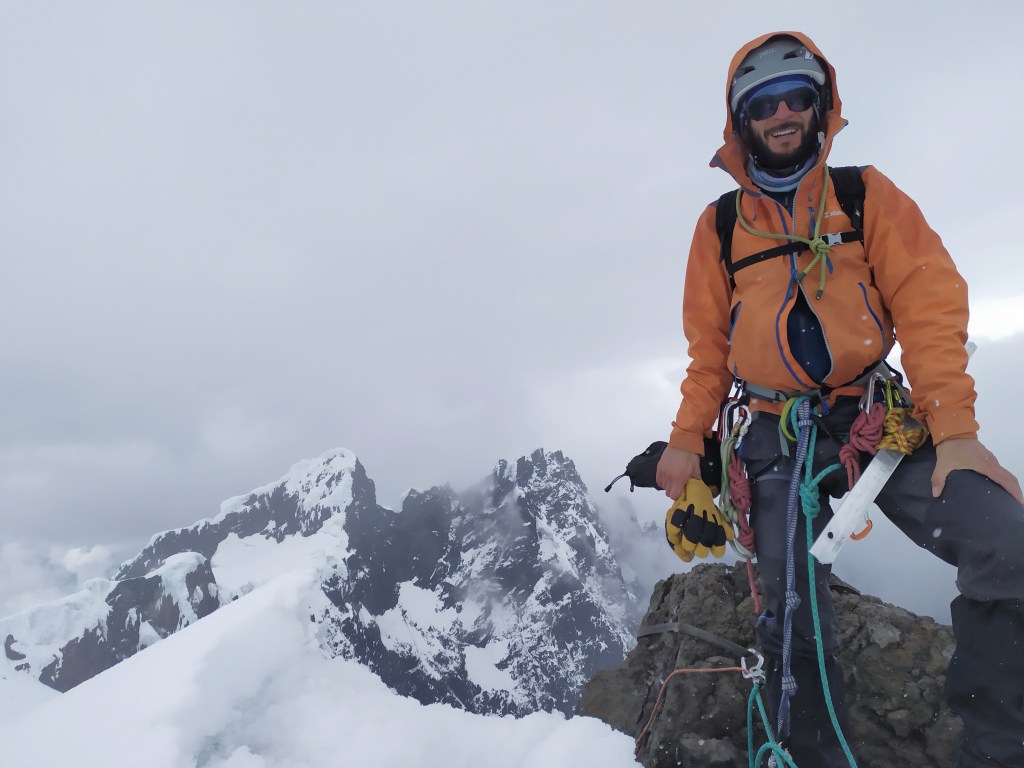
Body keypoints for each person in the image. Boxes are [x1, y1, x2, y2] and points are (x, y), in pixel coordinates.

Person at [655, 31, 1024, 768]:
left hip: (874, 422)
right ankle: (813, 755)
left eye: (797, 97)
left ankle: (1000, 748)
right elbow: (708, 355)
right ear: (742, 120)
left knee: (1007, 545)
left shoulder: (866, 197)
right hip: (770, 431)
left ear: (821, 108)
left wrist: (954, 431)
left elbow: (929, 308)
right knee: (790, 611)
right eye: (764, 102)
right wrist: (685, 442)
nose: (783, 112)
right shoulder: (721, 227)